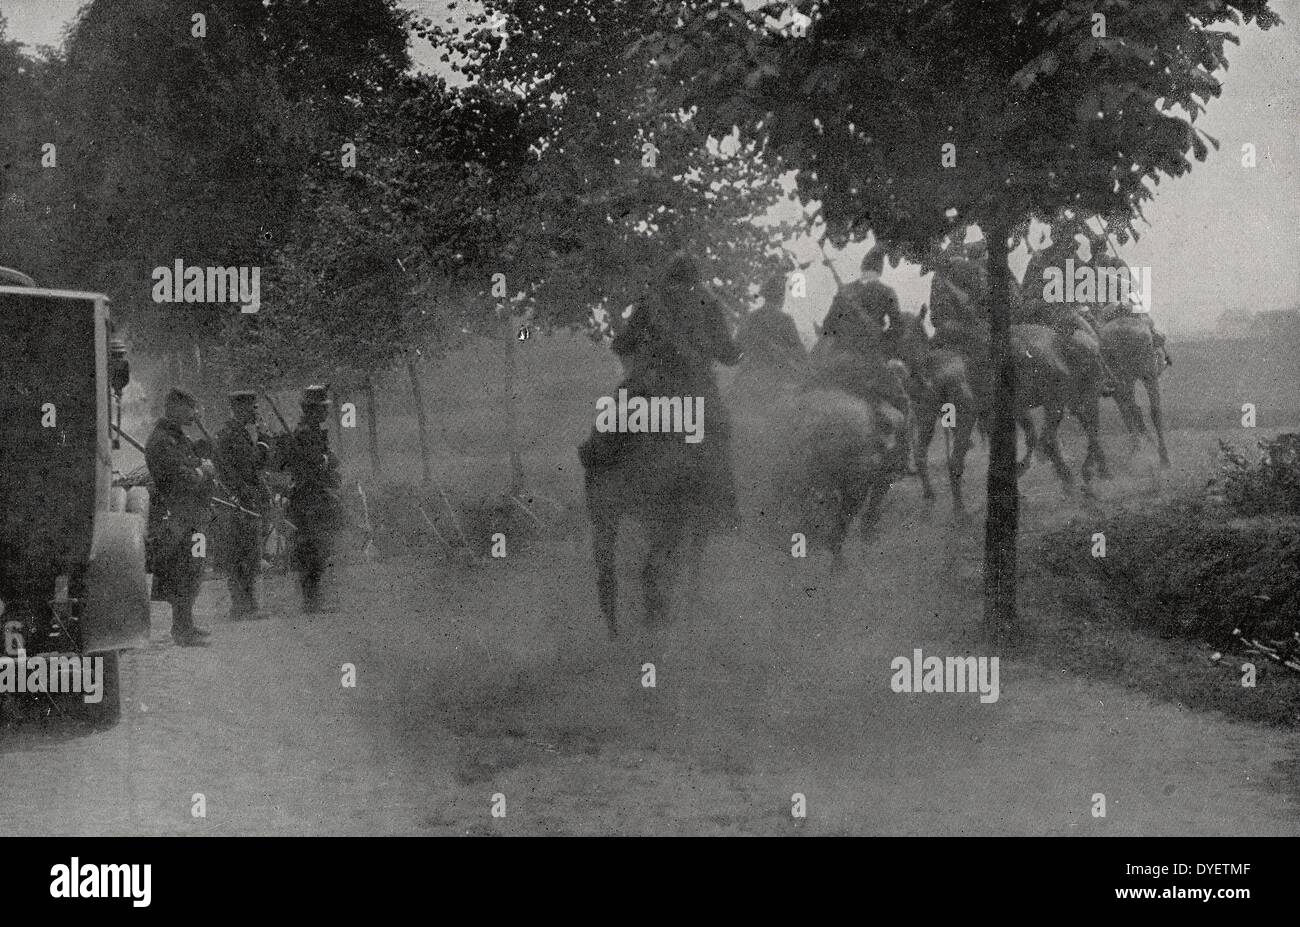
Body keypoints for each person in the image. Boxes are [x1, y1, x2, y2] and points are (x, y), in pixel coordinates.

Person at [579, 252, 742, 529]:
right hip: (695, 391)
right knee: (720, 434)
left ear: (668, 276)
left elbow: (622, 345)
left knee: (609, 426)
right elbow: (728, 355)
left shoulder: (650, 301)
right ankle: (725, 511)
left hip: (648, 386)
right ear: (696, 278)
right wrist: (737, 350)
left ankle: (598, 479)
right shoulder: (709, 304)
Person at [145, 388, 214, 646]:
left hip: (190, 517)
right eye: (189, 408)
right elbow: (178, 478)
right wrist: (202, 471)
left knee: (193, 570)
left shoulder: (177, 438)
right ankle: (183, 630)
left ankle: (186, 625)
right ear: (174, 408)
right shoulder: (163, 441)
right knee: (184, 571)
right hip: (178, 519)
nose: (193, 414)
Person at [277, 386, 342, 614]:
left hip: (315, 498)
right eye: (323, 408)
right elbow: (314, 464)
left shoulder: (312, 431)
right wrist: (326, 459)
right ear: (313, 409)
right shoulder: (305, 433)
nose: (326, 412)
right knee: (310, 550)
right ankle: (311, 601)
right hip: (308, 500)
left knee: (317, 550)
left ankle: (314, 600)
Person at [214, 390, 272, 621]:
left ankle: (247, 604)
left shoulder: (239, 433)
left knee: (249, 552)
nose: (256, 412)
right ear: (239, 409)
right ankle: (241, 606)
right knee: (242, 554)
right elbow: (248, 465)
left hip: (245, 500)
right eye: (252, 408)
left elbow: (255, 468)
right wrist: (264, 442)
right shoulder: (231, 435)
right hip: (237, 503)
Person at [735, 271, 806, 372]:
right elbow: (801, 354)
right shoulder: (785, 320)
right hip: (774, 378)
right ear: (782, 297)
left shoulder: (751, 317)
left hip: (747, 376)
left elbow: (736, 347)